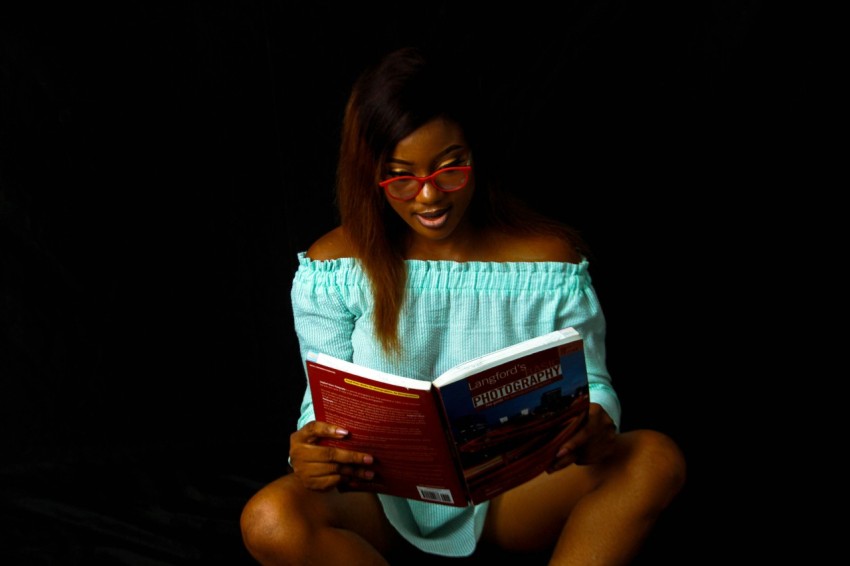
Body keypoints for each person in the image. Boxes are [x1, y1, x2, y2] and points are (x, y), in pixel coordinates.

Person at [240, 45, 686, 565]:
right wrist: (308, 448)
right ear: (370, 174)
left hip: (511, 498)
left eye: (450, 169)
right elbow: (323, 402)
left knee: (654, 458)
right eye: (401, 176)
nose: (429, 198)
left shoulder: (546, 264)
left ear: (476, 152)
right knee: (269, 518)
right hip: (380, 503)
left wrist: (596, 422)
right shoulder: (334, 268)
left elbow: (594, 384)